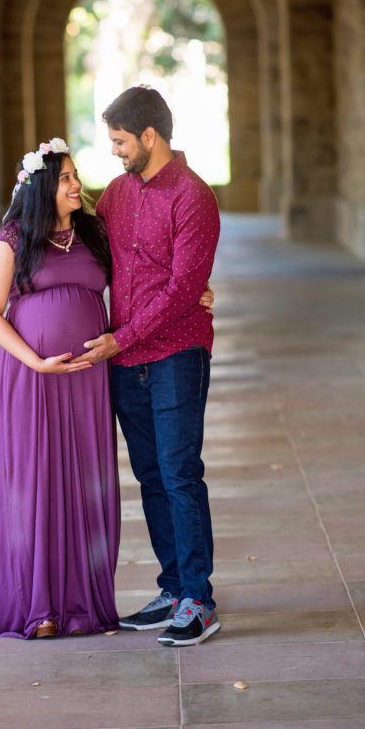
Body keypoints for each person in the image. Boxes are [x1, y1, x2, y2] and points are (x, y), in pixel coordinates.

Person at [72, 86, 221, 647]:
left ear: (149, 136)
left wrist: (121, 338)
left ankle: (198, 601)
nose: (114, 151)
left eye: (119, 141)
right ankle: (172, 588)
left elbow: (184, 289)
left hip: (175, 353)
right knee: (151, 475)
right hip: (126, 359)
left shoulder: (193, 197)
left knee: (180, 471)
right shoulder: (114, 194)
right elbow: (87, 253)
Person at [0, 138, 120, 639]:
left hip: (87, 380)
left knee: (84, 482)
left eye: (76, 175)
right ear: (42, 186)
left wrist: (196, 290)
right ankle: (38, 608)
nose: (76, 184)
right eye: (64, 178)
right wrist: (36, 362)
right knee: (36, 481)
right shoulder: (13, 239)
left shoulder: (94, 233)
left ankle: (82, 604)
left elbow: (137, 278)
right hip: (32, 377)